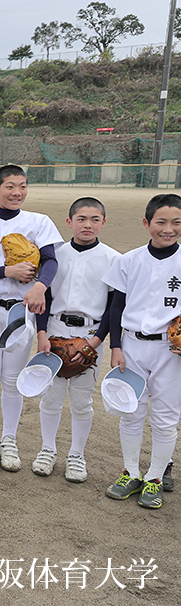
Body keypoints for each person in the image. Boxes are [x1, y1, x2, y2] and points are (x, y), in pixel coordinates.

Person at [0, 165, 63, 472]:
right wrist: (6, 271)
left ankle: (8, 440)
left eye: (22, 186)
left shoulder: (39, 221)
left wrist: (39, 286)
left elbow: (50, 260)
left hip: (21, 310)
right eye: (10, 186)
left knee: (12, 380)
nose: (17, 192)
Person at [31, 197, 120, 483]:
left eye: (95, 219)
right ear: (69, 222)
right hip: (55, 329)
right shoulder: (55, 254)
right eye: (81, 218)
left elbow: (113, 307)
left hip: (91, 334)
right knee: (51, 397)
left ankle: (76, 454)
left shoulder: (113, 259)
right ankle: (47, 449)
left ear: (104, 223)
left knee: (82, 402)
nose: (88, 224)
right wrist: (41, 334)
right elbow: (45, 296)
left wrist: (94, 343)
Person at [101, 193, 181, 509]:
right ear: (147, 223)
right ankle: (131, 473)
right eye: (161, 222)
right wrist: (116, 346)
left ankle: (156, 478)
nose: (168, 229)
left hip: (170, 350)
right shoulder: (129, 260)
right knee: (131, 412)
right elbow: (116, 306)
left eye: (176, 222)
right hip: (132, 345)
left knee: (165, 418)